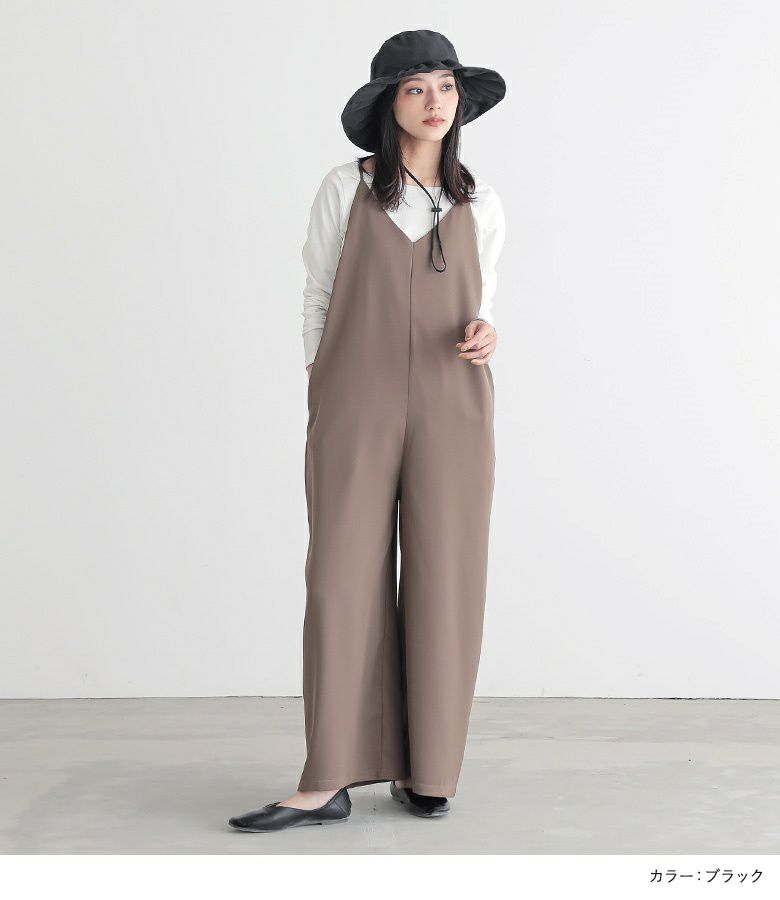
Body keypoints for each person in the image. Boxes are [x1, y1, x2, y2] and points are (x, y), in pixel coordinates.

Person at [229, 29, 506, 834]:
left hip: (454, 397)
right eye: (417, 88)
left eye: (446, 87)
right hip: (354, 395)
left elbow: (488, 300)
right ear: (390, 103)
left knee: (447, 575)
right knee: (341, 577)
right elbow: (317, 289)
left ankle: (429, 770)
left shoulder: (480, 200)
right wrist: (322, 376)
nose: (434, 102)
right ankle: (328, 779)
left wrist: (488, 330)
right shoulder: (346, 188)